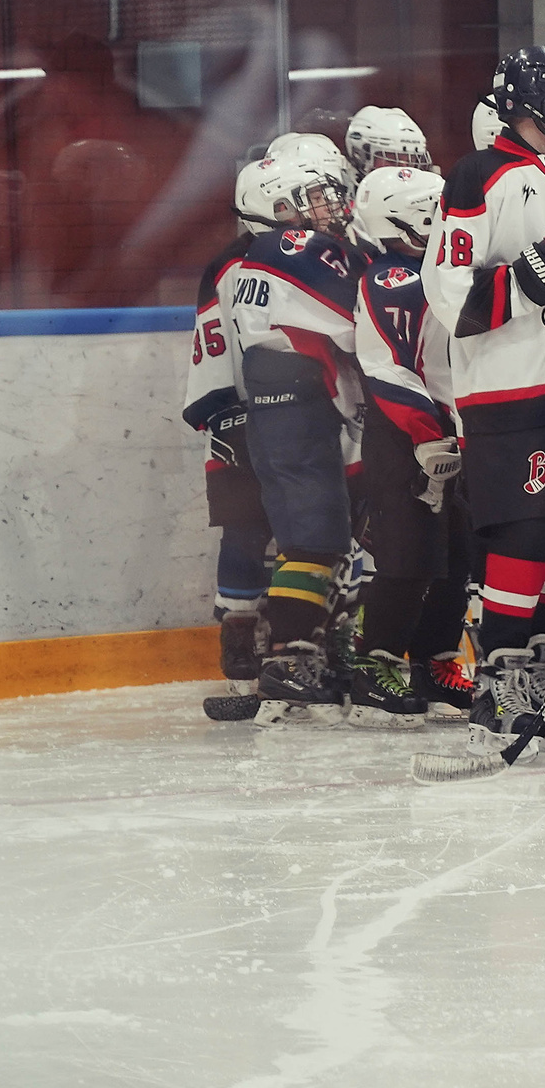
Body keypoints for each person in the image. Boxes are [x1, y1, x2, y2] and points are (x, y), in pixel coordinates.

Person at [420, 46, 545, 746]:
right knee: (524, 533)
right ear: (525, 103)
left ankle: (536, 664)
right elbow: (452, 301)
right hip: (505, 392)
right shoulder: (480, 176)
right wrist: (535, 279)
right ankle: (499, 675)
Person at [220, 146, 366, 706]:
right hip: (304, 406)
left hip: (274, 410)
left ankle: (300, 651)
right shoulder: (291, 246)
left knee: (313, 536)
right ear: (275, 207)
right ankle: (290, 657)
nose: (325, 207)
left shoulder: (250, 257)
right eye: (310, 199)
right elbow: (360, 314)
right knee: (315, 536)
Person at [347, 163, 476, 718]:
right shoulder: (390, 278)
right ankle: (373, 662)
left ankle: (435, 661)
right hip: (405, 438)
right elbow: (388, 368)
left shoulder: (443, 269)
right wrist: (427, 436)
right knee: (408, 556)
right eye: (433, 212)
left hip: (456, 435)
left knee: (455, 556)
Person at [182, 158, 278, 706]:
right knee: (245, 529)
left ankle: (303, 642)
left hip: (311, 418)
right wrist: (225, 412)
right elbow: (212, 342)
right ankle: (239, 634)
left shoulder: (325, 251)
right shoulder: (228, 264)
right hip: (243, 415)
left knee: (313, 532)